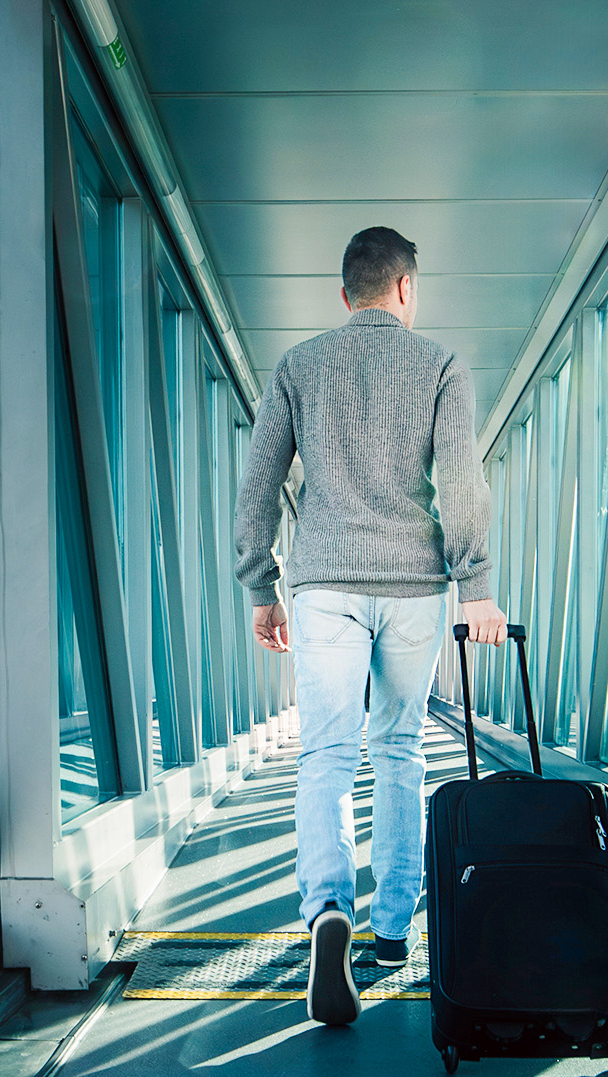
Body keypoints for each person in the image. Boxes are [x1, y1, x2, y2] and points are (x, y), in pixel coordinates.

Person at [234, 226, 507, 1027]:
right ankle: (393, 930)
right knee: (399, 748)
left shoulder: (298, 366)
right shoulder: (440, 366)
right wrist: (477, 586)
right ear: (405, 290)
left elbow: (258, 486)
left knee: (326, 751)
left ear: (345, 293)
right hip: (417, 585)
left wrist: (262, 585)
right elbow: (461, 479)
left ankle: (327, 910)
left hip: (324, 584)